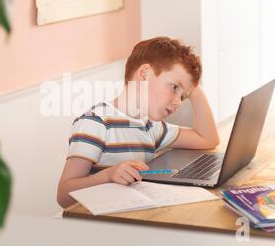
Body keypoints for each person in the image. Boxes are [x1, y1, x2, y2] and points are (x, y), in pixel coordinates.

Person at [57, 37, 220, 208]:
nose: (178, 102)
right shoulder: (96, 123)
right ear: (144, 74)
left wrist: (193, 87)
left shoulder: (150, 126)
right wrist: (107, 175)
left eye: (183, 96)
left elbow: (208, 139)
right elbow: (63, 195)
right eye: (174, 87)